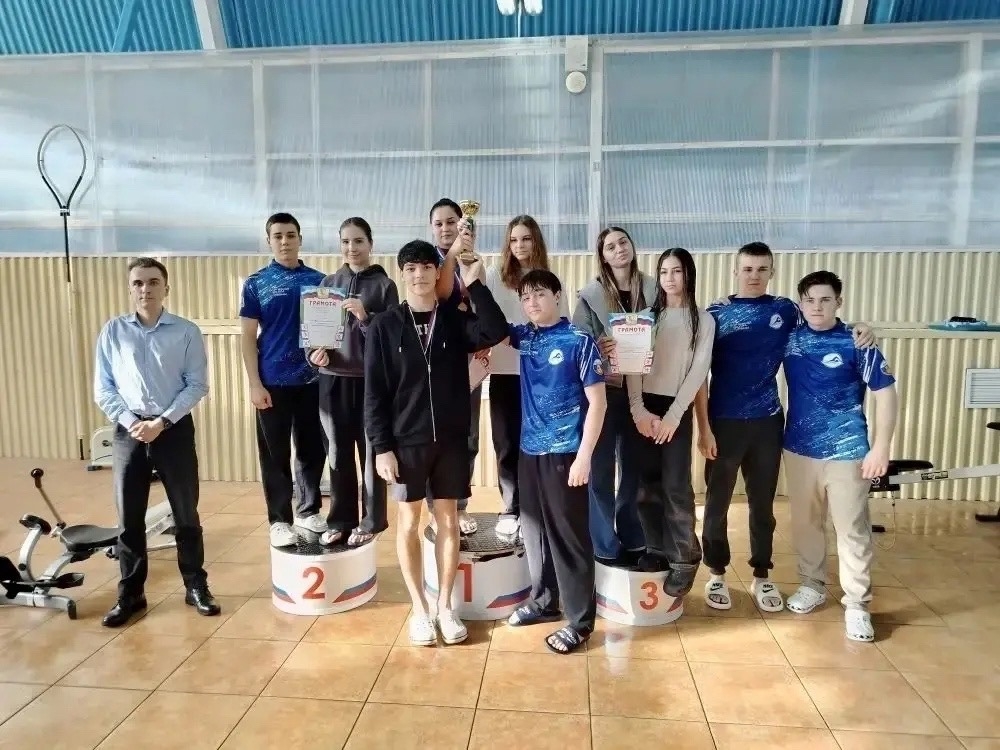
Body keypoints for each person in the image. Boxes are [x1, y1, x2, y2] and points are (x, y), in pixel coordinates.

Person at [693, 242, 875, 614]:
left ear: (772, 272)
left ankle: (762, 574)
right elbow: (698, 375)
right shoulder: (715, 314)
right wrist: (704, 428)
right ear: (736, 271)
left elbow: (822, 323)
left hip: (768, 422)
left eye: (762, 269)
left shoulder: (786, 310)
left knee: (763, 505)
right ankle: (717, 573)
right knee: (716, 503)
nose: (754, 276)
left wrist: (861, 327)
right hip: (724, 421)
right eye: (747, 269)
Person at [364, 236, 508, 646]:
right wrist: (382, 447)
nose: (419, 275)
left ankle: (445, 606)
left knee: (447, 520)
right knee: (409, 523)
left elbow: (495, 330)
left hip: (449, 440)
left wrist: (475, 283)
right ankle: (420, 609)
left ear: (436, 271)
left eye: (427, 267)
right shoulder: (384, 325)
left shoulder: (453, 319)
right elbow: (374, 393)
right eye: (411, 269)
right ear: (403, 274)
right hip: (405, 442)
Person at [94, 257, 220, 627]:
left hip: (173, 430)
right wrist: (133, 422)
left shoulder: (186, 331)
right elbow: (104, 387)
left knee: (186, 514)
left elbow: (197, 384)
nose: (145, 289)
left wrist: (162, 422)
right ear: (130, 288)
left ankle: (196, 586)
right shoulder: (113, 332)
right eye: (138, 283)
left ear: (166, 288)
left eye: (152, 282)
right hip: (129, 431)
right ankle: (131, 594)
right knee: (129, 519)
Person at [781, 270, 897, 643]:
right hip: (799, 449)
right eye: (810, 300)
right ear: (801, 304)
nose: (817, 307)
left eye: (825, 299)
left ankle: (857, 605)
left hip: (848, 451)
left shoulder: (857, 343)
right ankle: (812, 584)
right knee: (806, 523)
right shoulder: (789, 339)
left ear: (838, 302)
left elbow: (885, 393)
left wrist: (881, 447)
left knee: (851, 529)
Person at [504, 269, 606, 654]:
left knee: (569, 539)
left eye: (540, 294)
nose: (532, 302)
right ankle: (544, 601)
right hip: (529, 453)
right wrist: (471, 279)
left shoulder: (579, 341)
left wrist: (584, 457)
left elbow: (598, 403)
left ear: (557, 296)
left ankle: (580, 623)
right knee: (535, 533)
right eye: (526, 297)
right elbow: (491, 326)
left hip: (566, 453)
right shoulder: (526, 337)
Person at [626, 248, 714, 599]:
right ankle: (655, 547)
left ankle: (684, 558)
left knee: (676, 486)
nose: (670, 278)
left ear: (688, 274)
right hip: (645, 408)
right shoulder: (645, 318)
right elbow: (633, 365)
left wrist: (675, 416)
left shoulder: (704, 321)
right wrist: (638, 410)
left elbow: (699, 371)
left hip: (677, 408)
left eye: (676, 271)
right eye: (664, 272)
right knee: (646, 484)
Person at [306, 217, 399, 547]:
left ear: (370, 244)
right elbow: (312, 336)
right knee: (338, 452)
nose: (352, 247)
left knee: (372, 453)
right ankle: (340, 519)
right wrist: (314, 355)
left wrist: (365, 317)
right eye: (345, 241)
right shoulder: (327, 284)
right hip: (332, 381)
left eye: (358, 241)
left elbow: (392, 338)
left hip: (370, 382)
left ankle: (372, 520)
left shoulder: (385, 286)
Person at [239, 212, 329, 548]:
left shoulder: (320, 282)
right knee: (274, 455)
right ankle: (279, 520)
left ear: (300, 239)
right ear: (269, 241)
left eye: (290, 235)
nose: (285, 241)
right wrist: (254, 383)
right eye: (277, 236)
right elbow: (247, 337)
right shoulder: (256, 284)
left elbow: (330, 333)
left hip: (312, 381)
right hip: (271, 383)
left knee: (311, 450)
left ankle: (308, 511)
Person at [572, 226, 655, 568]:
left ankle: (634, 537)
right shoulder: (590, 295)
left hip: (643, 392)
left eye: (623, 242)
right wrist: (598, 347)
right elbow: (578, 343)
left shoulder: (654, 290)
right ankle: (605, 546)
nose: (619, 249)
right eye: (610, 246)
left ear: (632, 247)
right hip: (604, 391)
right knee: (601, 471)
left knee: (635, 470)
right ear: (602, 256)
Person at [483, 215, 569, 538]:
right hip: (504, 370)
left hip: (540, 374)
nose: (519, 245)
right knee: (506, 443)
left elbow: (563, 324)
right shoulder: (495, 275)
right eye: (514, 240)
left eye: (526, 239)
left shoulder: (550, 278)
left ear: (536, 241)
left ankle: (537, 508)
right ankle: (511, 508)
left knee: (538, 444)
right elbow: (485, 316)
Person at [428, 197, 481, 535]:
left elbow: (481, 306)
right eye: (440, 223)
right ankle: (436, 509)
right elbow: (441, 296)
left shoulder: (474, 259)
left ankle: (460, 506)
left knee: (469, 436)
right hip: (435, 362)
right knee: (437, 436)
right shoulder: (426, 260)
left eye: (452, 222)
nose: (446, 228)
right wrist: (453, 255)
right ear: (431, 228)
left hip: (470, 360)